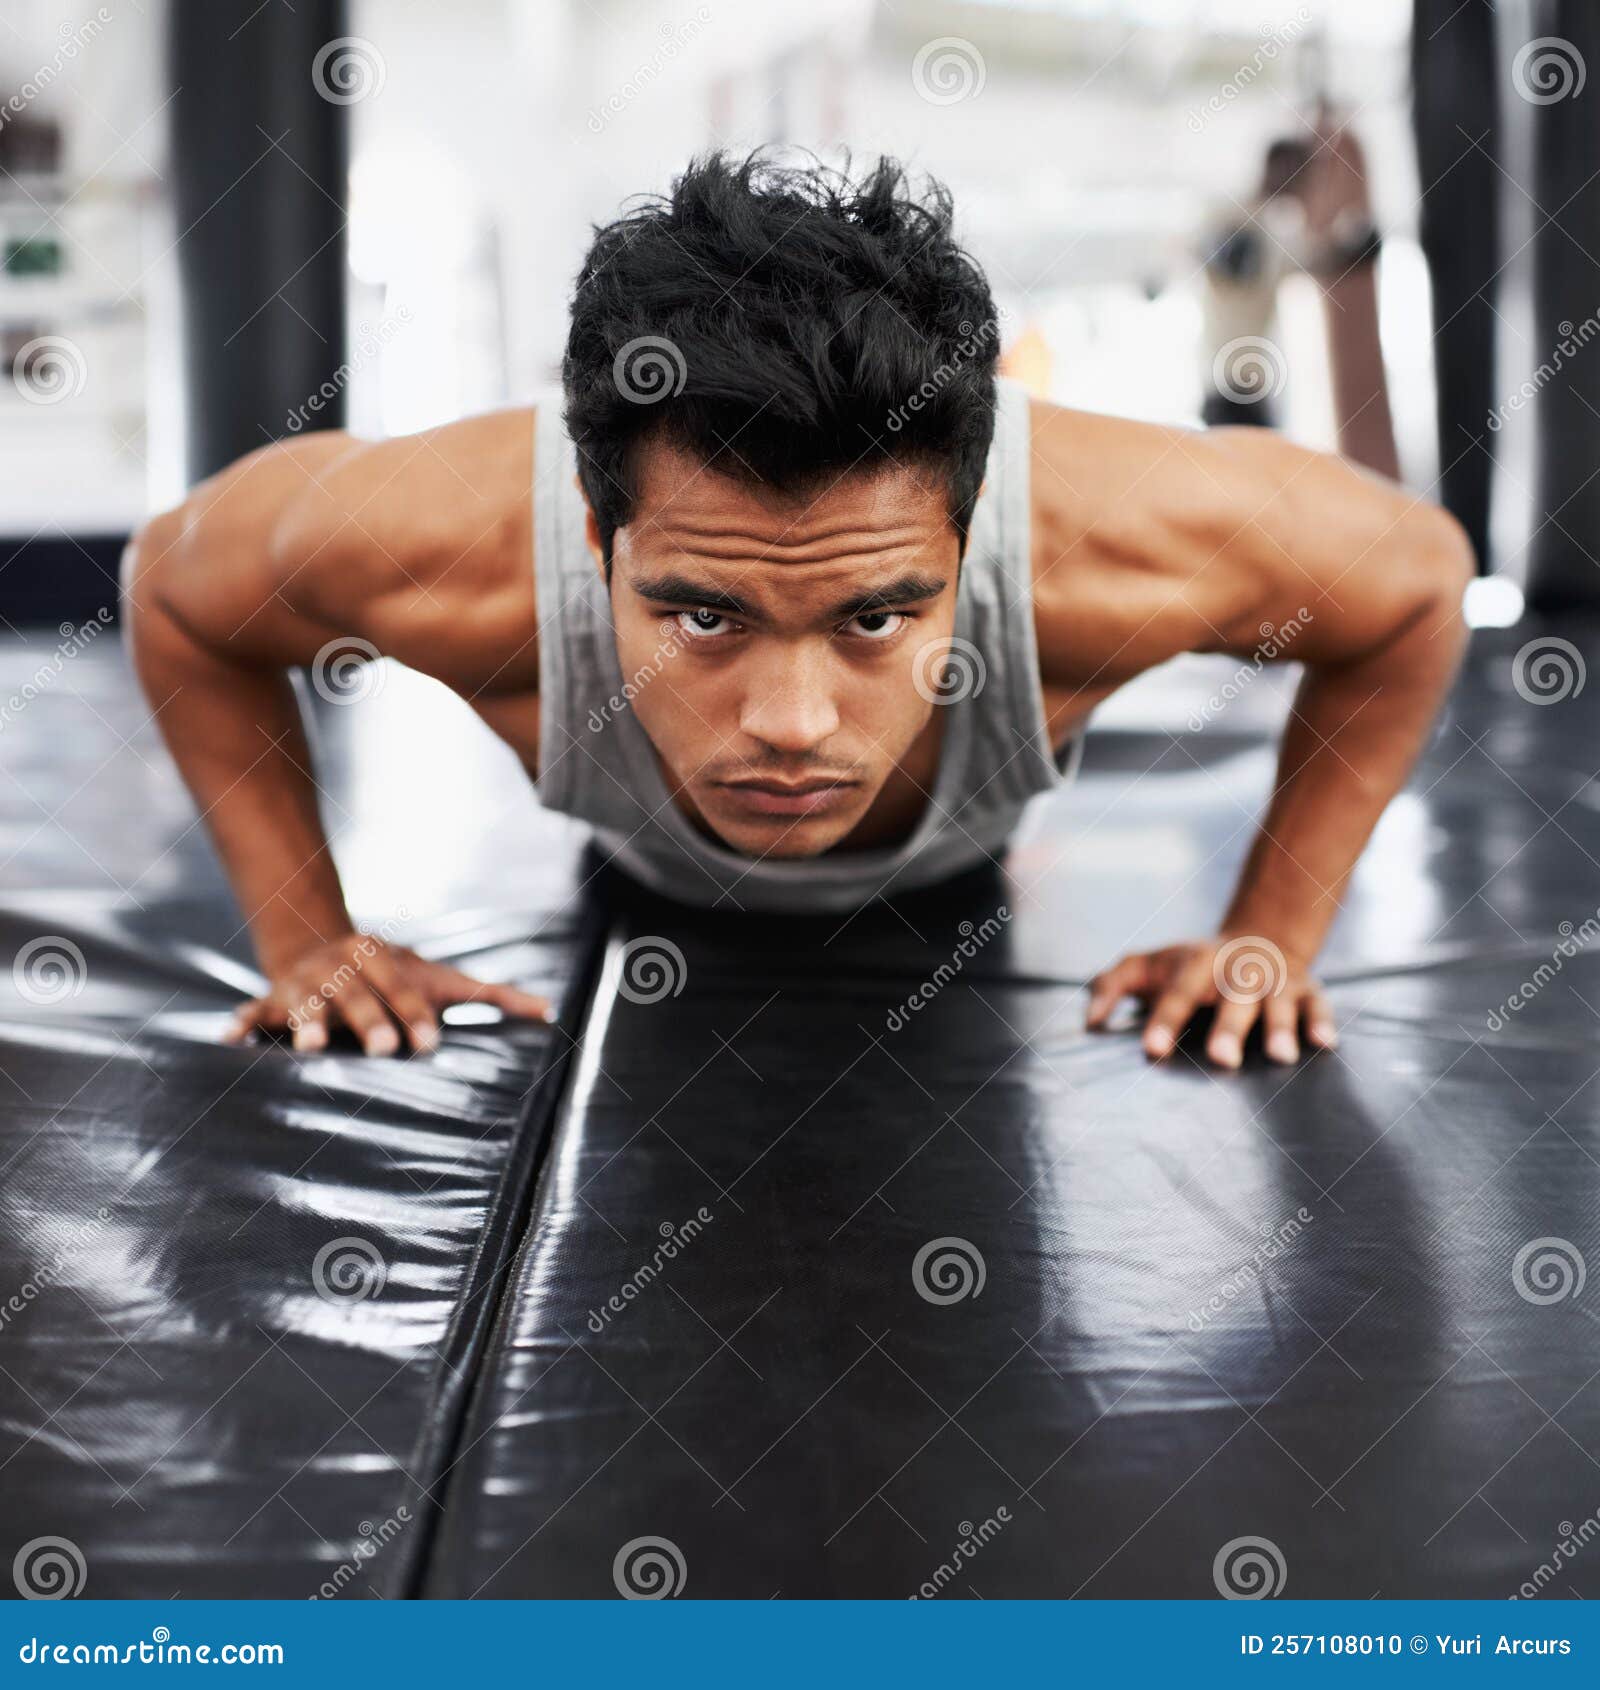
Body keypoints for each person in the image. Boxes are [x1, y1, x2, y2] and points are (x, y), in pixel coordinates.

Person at [123, 150, 1473, 1071]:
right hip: (638, 891)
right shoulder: (450, 547)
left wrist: (1269, 936)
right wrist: (307, 940)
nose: (790, 723)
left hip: (958, 886)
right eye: (704, 616)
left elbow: (1415, 580)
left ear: (966, 534)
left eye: (874, 617)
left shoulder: (1107, 543)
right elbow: (177, 589)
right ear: (598, 538)